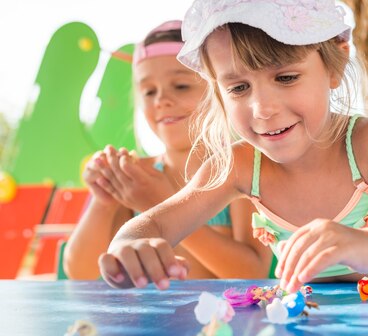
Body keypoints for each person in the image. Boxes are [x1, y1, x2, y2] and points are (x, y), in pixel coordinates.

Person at [98, 0, 368, 293]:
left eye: (285, 77)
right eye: (239, 88)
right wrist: (130, 245)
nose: (263, 108)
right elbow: (156, 222)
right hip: (298, 329)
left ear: (334, 66)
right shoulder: (241, 166)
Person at [64, 20, 272, 284]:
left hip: (220, 323)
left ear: (219, 90)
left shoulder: (238, 171)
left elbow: (251, 273)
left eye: (181, 86)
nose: (161, 100)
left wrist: (158, 204)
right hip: (150, 323)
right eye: (149, 91)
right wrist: (102, 202)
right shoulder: (134, 177)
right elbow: (80, 273)